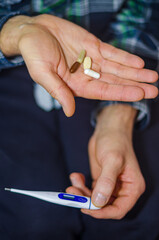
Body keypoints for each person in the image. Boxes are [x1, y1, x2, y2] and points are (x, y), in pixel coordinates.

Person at [0, 0, 159, 239]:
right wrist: (16, 31)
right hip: (9, 65)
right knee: (34, 222)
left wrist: (117, 118)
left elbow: (148, 12)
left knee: (137, 216)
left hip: (106, 60)